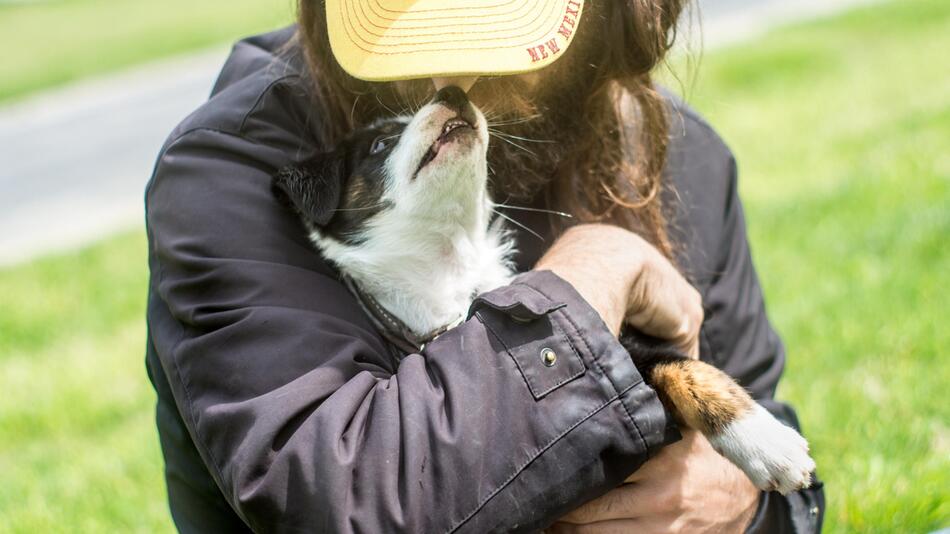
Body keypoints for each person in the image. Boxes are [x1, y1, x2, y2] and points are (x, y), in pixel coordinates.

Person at [145, 0, 824, 532]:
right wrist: (586, 282)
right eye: (406, 21)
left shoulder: (677, 157)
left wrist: (740, 502)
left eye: (489, 30)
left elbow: (784, 455)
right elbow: (345, 505)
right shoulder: (231, 177)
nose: (450, 79)